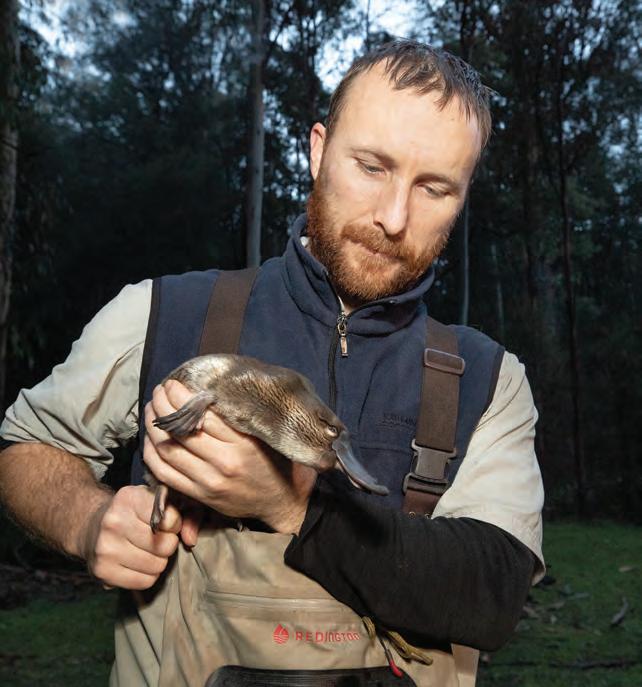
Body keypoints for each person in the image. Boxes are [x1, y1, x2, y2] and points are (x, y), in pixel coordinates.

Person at [0, 41, 544, 686]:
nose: (393, 218)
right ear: (318, 150)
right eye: (371, 166)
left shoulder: (489, 379)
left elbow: (493, 595)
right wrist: (86, 520)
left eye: (433, 188)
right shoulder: (161, 313)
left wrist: (296, 508)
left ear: (463, 195)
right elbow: (26, 448)